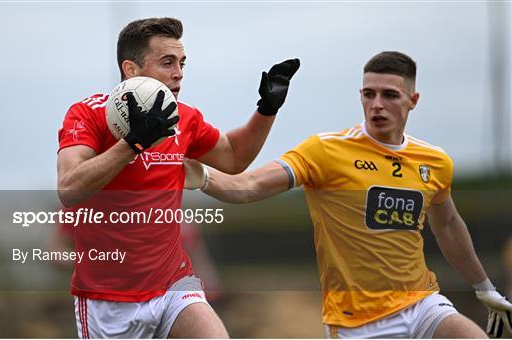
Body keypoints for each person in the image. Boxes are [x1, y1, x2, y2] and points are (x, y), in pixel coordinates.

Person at [184, 51, 512, 338]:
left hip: (422, 303)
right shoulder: (326, 151)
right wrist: (201, 175)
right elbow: (250, 186)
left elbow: (449, 225)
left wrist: (484, 288)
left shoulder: (434, 161)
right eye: (369, 94)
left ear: (413, 101)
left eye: (390, 95)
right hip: (359, 323)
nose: (377, 104)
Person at [57, 17, 299, 338]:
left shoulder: (183, 117)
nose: (179, 74)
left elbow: (233, 157)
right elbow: (69, 188)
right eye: (168, 62)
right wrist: (133, 143)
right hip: (109, 299)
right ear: (130, 69)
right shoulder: (87, 114)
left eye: (182, 63)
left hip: (173, 284)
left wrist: (266, 110)